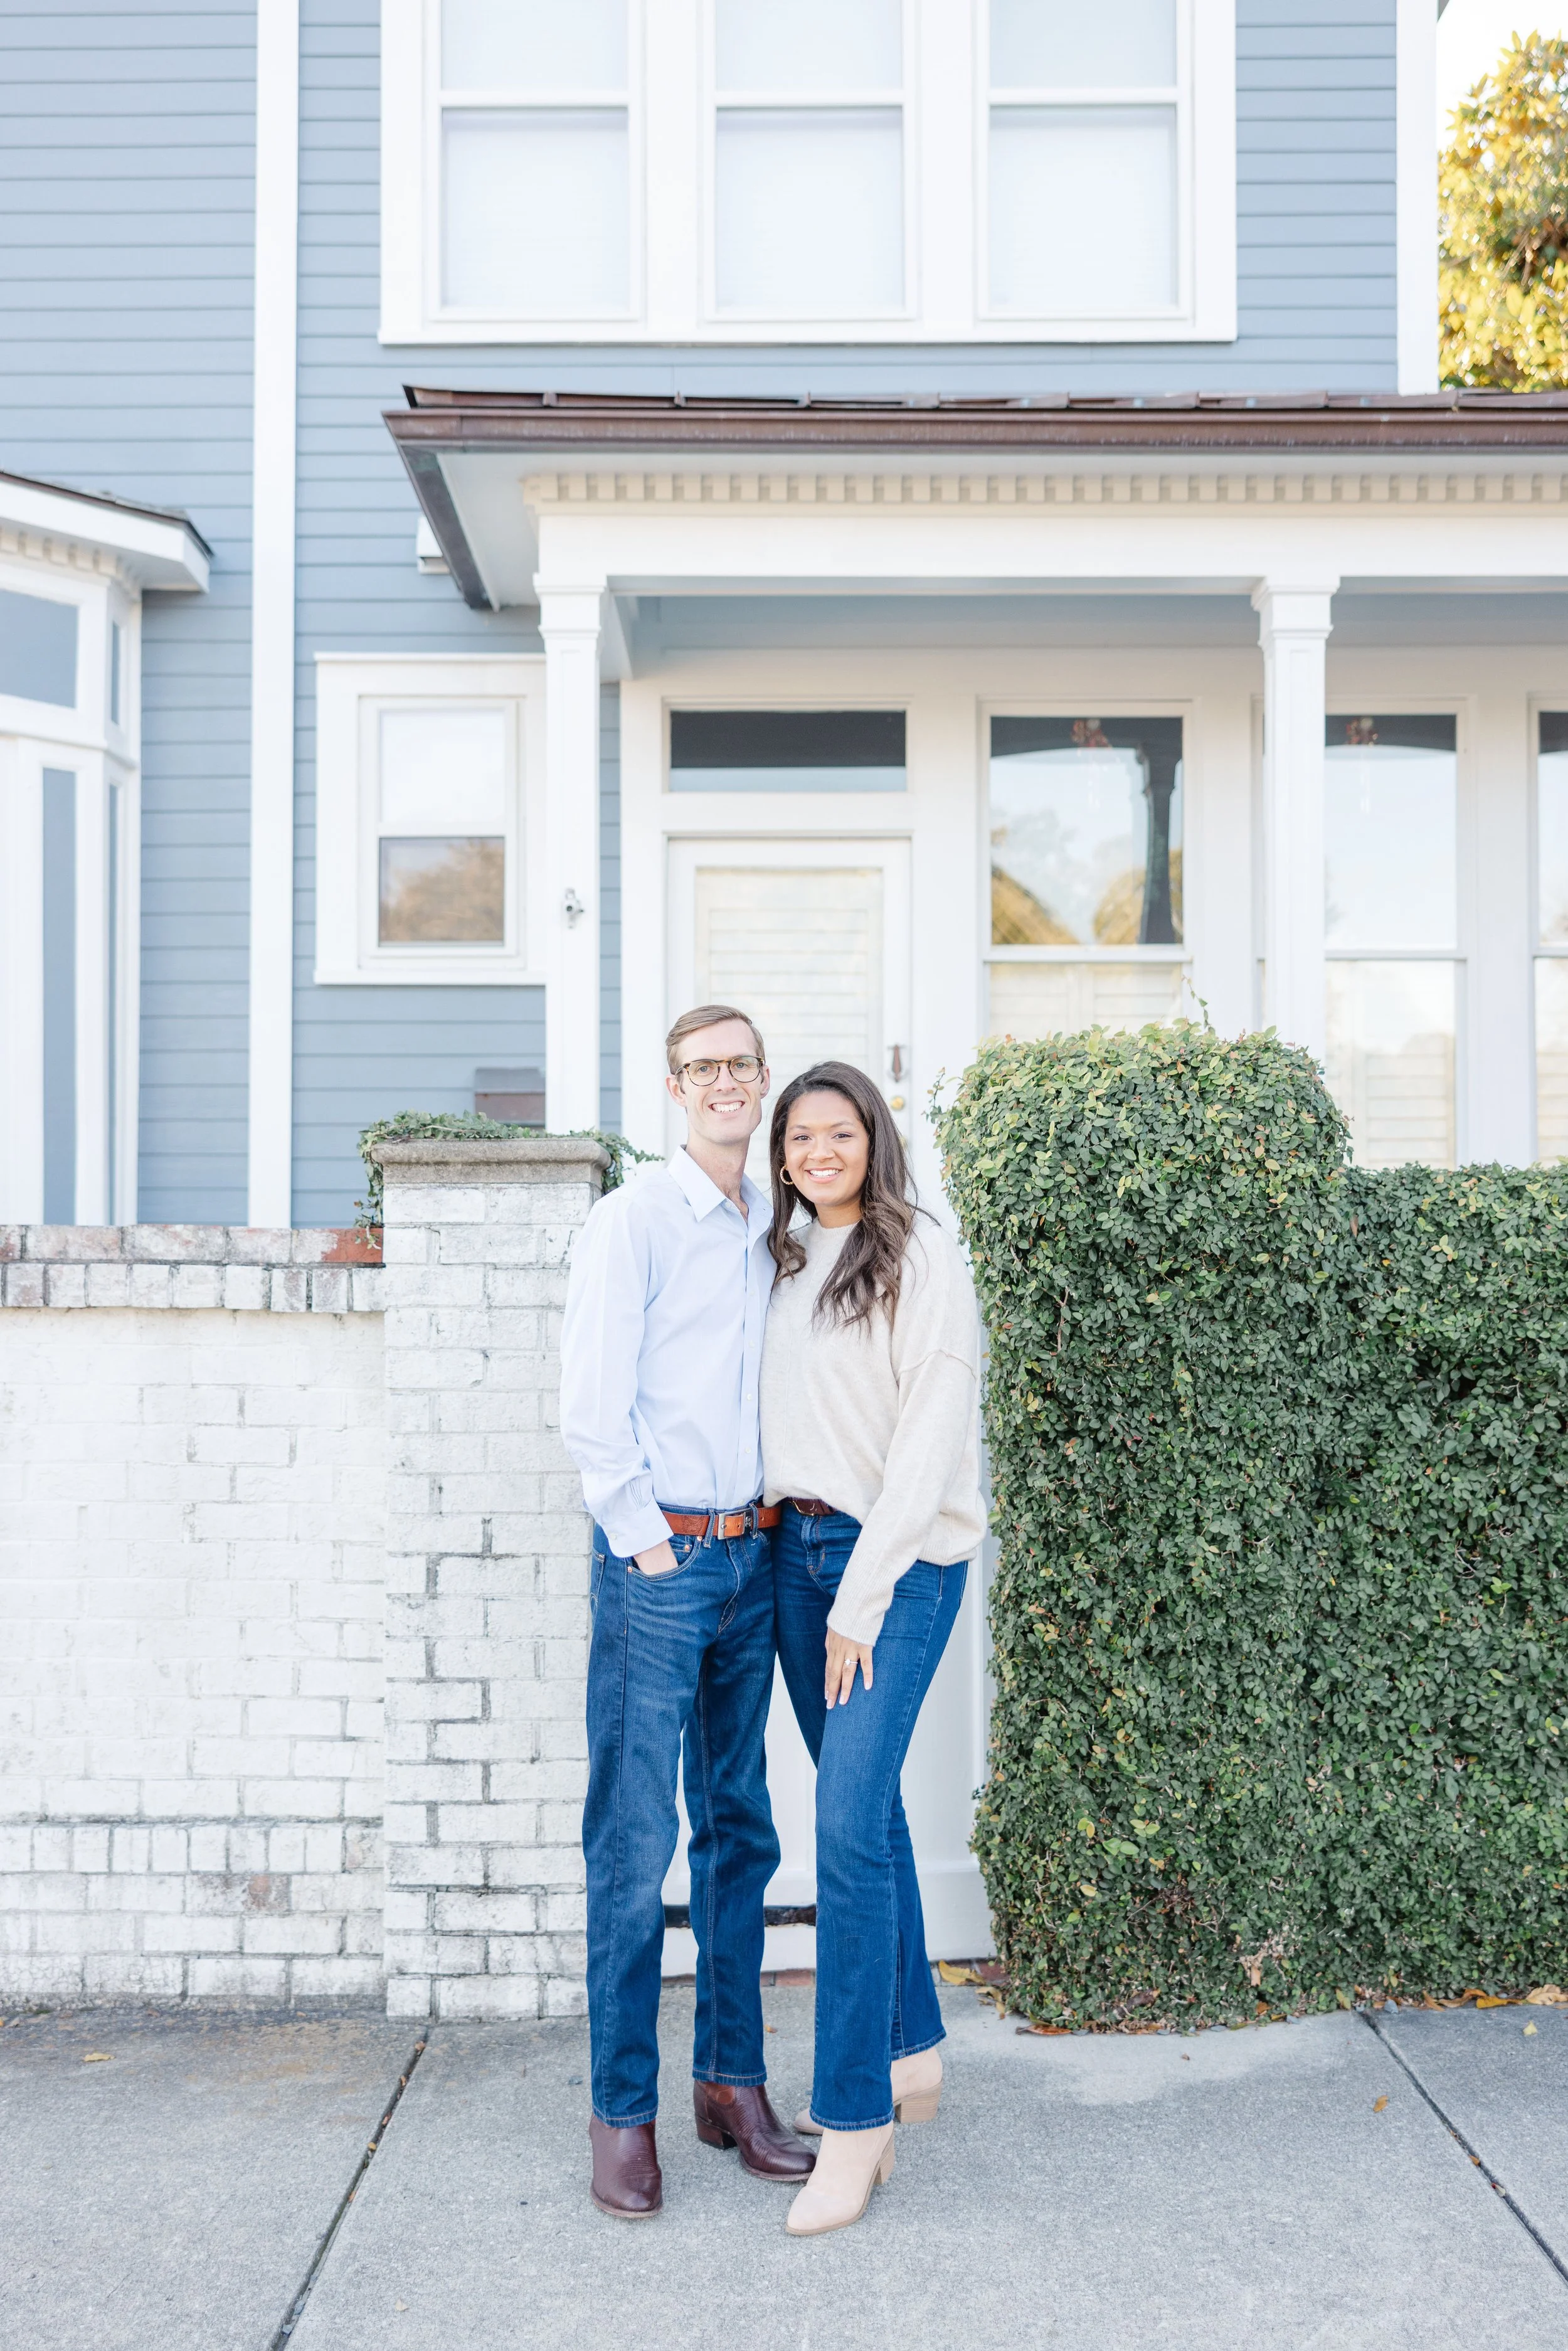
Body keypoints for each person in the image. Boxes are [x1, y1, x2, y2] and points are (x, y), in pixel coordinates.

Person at [559, 1004, 815, 2220]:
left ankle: (731, 2085)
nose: (724, 1083)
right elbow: (591, 1400)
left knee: (739, 1831)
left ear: (762, 1082)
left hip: (755, 1559)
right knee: (631, 1845)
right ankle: (622, 2112)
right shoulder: (633, 1221)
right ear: (674, 1089)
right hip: (659, 1562)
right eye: (702, 1068)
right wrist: (644, 1543)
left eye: (740, 1065)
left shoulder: (778, 1222)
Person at [760, 1060, 985, 2237]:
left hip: (894, 1569)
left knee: (843, 1825)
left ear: (873, 1139)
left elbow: (928, 1444)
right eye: (799, 1138)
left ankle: (855, 2124)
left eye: (837, 1132)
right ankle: (913, 2047)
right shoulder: (783, 1264)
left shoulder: (918, 1259)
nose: (817, 1152)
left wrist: (862, 1593)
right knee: (873, 1813)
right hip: (792, 1556)